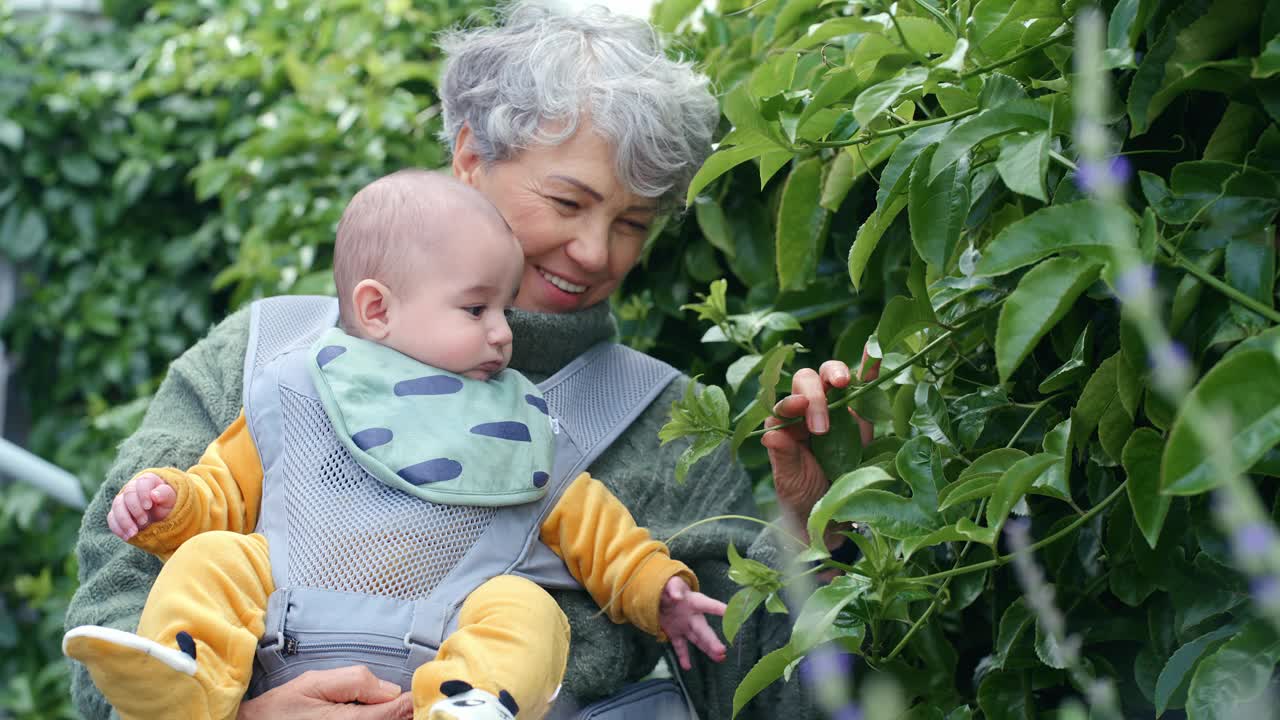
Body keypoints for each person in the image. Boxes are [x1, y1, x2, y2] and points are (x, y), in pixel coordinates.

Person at [63, 4, 861, 719]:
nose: (594, 252)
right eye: (569, 203)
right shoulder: (266, 355)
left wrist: (815, 521)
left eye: (633, 222)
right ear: (471, 155)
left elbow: (758, 696)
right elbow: (117, 586)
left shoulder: (664, 424)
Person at [63, 170, 728, 720]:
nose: (503, 335)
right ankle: (187, 680)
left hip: (444, 637)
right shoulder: (298, 383)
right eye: (477, 311)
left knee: (527, 610)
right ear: (376, 309)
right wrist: (167, 503)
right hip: (285, 625)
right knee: (213, 554)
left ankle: (473, 701)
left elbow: (598, 531)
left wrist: (654, 587)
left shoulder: (521, 424)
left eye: (502, 309)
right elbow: (223, 491)